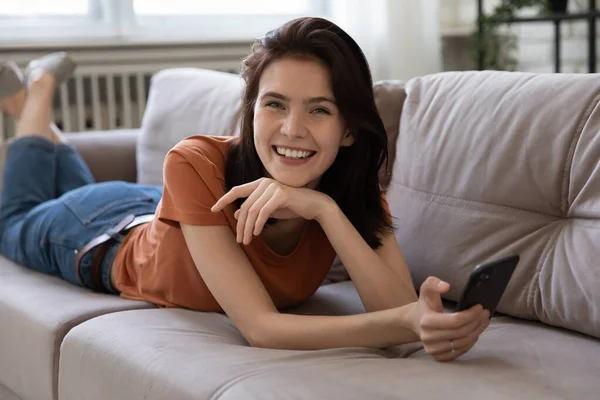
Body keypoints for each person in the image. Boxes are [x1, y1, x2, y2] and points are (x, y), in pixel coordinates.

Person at [0, 17, 489, 361]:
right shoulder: (193, 161)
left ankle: (28, 112)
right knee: (16, 217)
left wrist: (325, 211)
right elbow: (263, 328)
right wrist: (407, 323)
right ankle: (38, 91)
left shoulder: (351, 194)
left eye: (319, 109)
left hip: (177, 220)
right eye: (275, 104)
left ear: (348, 129)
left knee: (43, 196)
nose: (292, 129)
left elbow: (392, 307)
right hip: (104, 234)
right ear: (252, 109)